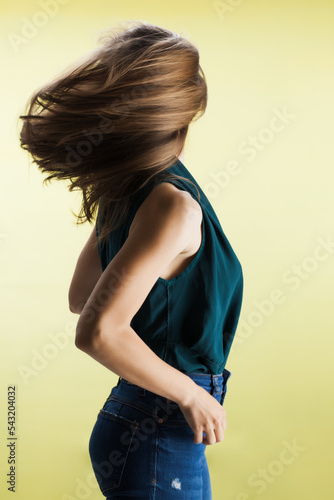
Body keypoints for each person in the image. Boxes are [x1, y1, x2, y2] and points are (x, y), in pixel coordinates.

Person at [19, 21, 243, 500]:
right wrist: (191, 394)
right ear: (180, 114)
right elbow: (97, 329)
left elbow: (83, 298)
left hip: (144, 421)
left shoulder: (132, 193)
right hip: (160, 427)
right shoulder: (173, 203)